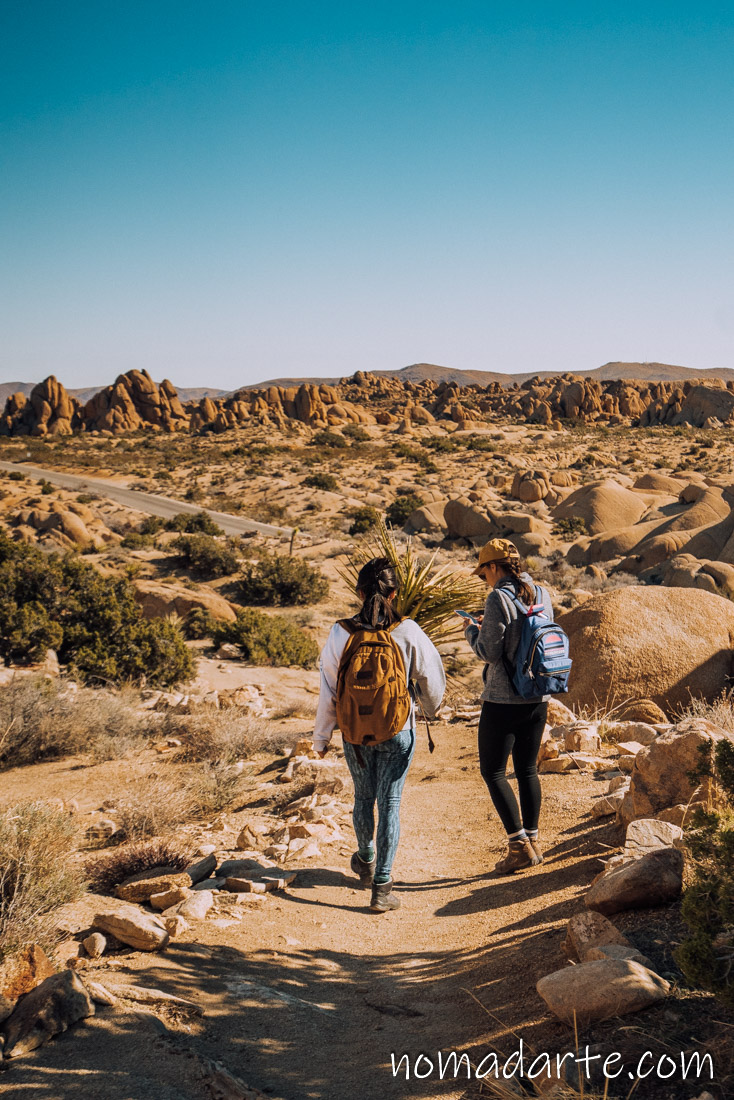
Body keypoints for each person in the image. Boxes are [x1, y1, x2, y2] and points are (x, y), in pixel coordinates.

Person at [312, 557, 445, 912]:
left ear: (359, 592)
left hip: (354, 731)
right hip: (397, 728)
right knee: (390, 803)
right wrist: (431, 710)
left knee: (362, 796)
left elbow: (329, 688)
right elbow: (431, 676)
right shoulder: (407, 629)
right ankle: (382, 889)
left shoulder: (341, 632)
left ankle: (366, 860)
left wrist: (321, 737)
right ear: (395, 591)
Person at [463, 538, 552, 874]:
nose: (483, 577)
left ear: (493, 567)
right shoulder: (542, 593)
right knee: (527, 770)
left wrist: (471, 631)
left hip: (503, 699)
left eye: (483, 571)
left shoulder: (498, 597)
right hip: (539, 695)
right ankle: (533, 840)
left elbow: (490, 652)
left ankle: (518, 846)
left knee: (493, 771)